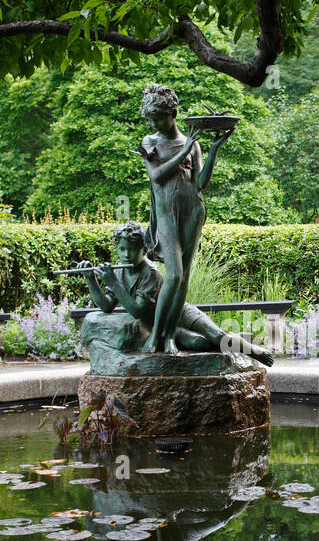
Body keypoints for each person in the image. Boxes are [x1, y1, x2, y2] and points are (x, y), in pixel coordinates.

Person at [80, 222, 274, 365]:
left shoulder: (150, 273)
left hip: (180, 313)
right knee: (200, 343)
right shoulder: (118, 272)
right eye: (122, 249)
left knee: (215, 336)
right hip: (162, 328)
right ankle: (235, 339)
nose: (126, 255)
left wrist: (114, 284)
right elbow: (106, 305)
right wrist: (91, 279)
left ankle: (251, 349)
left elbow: (137, 310)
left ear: (144, 249)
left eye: (131, 250)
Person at [136, 83, 233, 354]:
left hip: (193, 213)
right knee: (174, 275)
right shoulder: (151, 143)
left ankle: (168, 337)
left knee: (184, 277)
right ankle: (154, 335)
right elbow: (156, 176)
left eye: (158, 117)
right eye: (150, 118)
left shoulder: (193, 145)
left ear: (173, 114)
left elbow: (200, 182)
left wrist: (213, 149)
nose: (153, 122)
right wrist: (184, 149)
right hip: (167, 217)